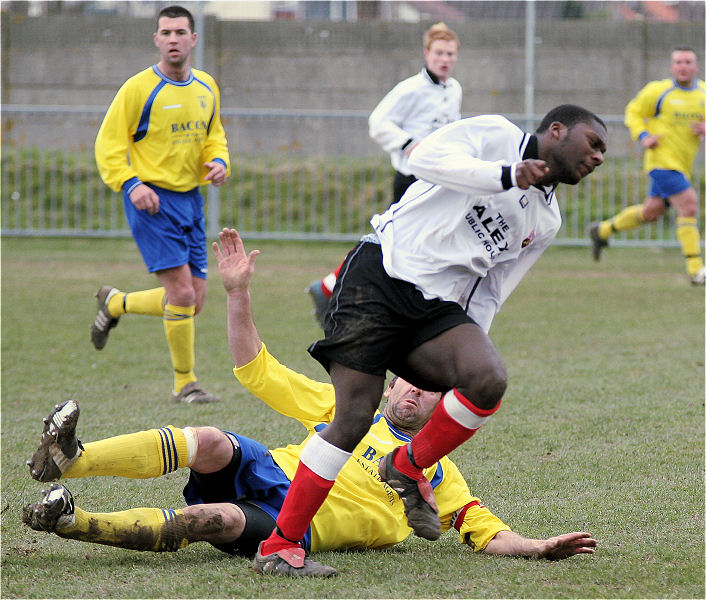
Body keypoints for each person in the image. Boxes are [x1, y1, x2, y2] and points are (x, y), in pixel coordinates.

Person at [23, 229, 597, 572]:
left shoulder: (439, 475)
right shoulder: (349, 408)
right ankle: (73, 457)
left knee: (211, 518)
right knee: (211, 441)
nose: (415, 390)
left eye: (431, 391)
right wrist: (239, 292)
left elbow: (486, 533)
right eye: (409, 379)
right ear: (393, 379)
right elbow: (256, 370)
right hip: (274, 470)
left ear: (443, 409)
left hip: (295, 523)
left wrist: (540, 547)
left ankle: (74, 521)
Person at [254, 105, 608, 576]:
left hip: (436, 310)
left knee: (487, 379)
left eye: (604, 151)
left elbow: (492, 289)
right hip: (380, 273)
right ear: (557, 131)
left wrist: (466, 349)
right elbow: (422, 159)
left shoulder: (546, 220)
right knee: (353, 419)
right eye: (594, 143)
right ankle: (279, 547)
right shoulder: (496, 135)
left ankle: (406, 463)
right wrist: (506, 175)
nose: (599, 156)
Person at [92, 5, 230, 403]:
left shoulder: (206, 87)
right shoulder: (138, 89)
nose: (173, 39)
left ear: (193, 39)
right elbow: (109, 144)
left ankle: (115, 302)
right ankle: (186, 384)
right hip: (150, 201)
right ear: (156, 39)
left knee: (194, 300)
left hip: (191, 200)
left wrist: (219, 161)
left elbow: (214, 135)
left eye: (180, 32)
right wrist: (130, 183)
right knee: (182, 295)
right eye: (165, 32)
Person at [306, 23, 462, 327]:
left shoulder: (454, 89)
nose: (445, 59)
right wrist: (407, 145)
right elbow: (378, 121)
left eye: (451, 54)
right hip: (411, 181)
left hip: (438, 181)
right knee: (387, 242)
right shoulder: (410, 88)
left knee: (426, 244)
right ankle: (328, 288)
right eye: (439, 53)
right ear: (426, 54)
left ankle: (414, 304)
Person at [589, 46, 705, 285]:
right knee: (689, 206)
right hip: (661, 162)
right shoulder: (658, 91)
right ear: (672, 67)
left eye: (688, 62)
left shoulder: (703, 93)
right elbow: (632, 112)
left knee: (650, 213)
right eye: (678, 62)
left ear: (695, 66)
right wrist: (643, 136)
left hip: (683, 165)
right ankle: (696, 270)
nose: (683, 66)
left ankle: (602, 231)